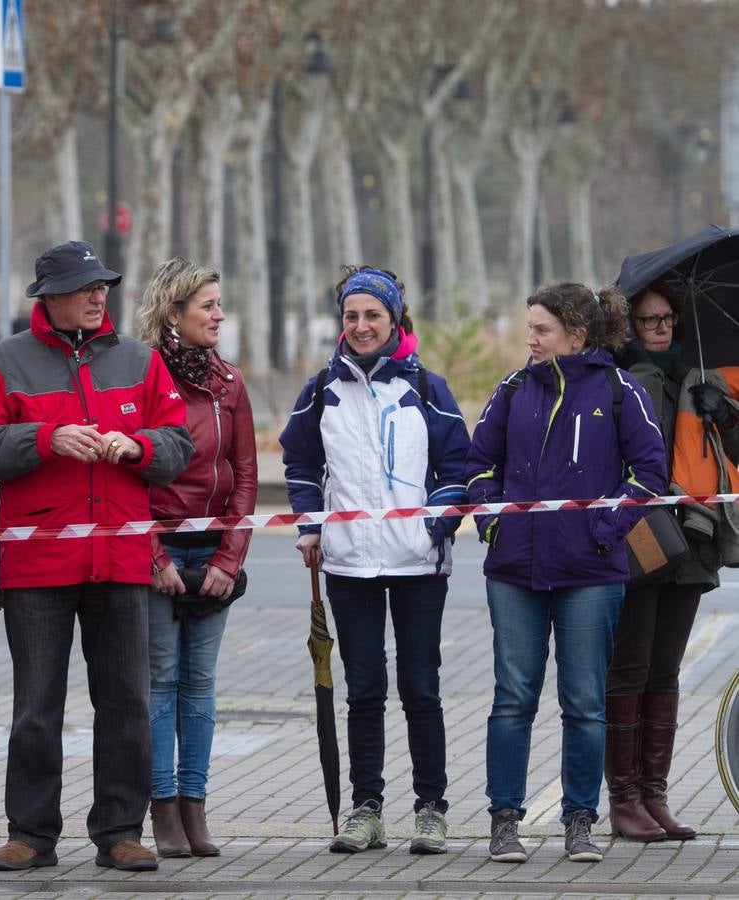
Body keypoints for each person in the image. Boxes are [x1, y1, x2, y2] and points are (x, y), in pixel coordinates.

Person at [0, 240, 193, 873]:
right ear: (49, 297)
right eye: (84, 288)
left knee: (127, 704)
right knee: (36, 705)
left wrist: (137, 448)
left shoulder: (142, 363)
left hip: (121, 560)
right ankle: (31, 836)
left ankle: (120, 830)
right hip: (38, 565)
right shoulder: (1, 364)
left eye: (103, 286)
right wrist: (47, 437)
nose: (99, 296)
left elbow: (178, 447)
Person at [466, 282, 667, 864]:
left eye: (541, 329)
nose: (529, 339)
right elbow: (479, 467)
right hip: (514, 573)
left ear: (576, 336)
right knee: (512, 700)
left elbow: (650, 474)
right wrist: (494, 525)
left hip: (590, 573)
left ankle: (580, 820)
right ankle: (504, 820)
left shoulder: (619, 390)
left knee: (583, 702)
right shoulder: (511, 389)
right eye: (529, 327)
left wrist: (602, 532)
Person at [280, 266, 470, 856]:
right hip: (348, 566)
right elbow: (300, 465)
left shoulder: (427, 388)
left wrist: (436, 523)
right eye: (351, 316)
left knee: (421, 689)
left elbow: (457, 467)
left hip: (417, 565)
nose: (361, 327)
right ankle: (366, 809)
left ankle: (431, 809)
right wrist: (312, 526)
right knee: (363, 689)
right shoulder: (321, 390)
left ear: (394, 320)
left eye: (372, 316)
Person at [133, 257, 256, 858]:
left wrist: (228, 561)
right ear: (173, 314)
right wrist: (154, 557)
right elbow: (127, 480)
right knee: (161, 682)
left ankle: (194, 807)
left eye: (218, 303)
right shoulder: (140, 376)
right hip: (156, 551)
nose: (219, 314)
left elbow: (247, 478)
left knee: (199, 685)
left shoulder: (229, 382)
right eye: (208, 305)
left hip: (212, 551)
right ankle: (161, 811)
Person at [605, 281, 731, 841]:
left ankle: (655, 795)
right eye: (648, 319)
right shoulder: (616, 379)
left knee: (665, 672)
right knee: (628, 670)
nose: (659, 328)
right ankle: (624, 799)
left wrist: (722, 417)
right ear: (628, 324)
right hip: (640, 540)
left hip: (692, 544)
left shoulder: (700, 374)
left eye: (667, 319)